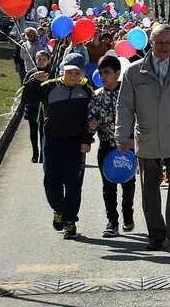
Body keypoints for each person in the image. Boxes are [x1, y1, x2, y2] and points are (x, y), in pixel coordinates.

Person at [116, 24, 170, 254]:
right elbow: (124, 107)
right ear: (150, 43)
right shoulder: (135, 71)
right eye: (159, 42)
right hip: (146, 138)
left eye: (168, 42)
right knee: (149, 190)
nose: (164, 46)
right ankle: (156, 234)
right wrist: (122, 135)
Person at [26, 53, 94, 240]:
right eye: (69, 72)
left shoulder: (87, 91)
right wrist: (33, 81)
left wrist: (87, 139)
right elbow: (28, 99)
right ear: (63, 70)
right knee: (51, 181)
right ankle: (58, 210)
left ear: (82, 73)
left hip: (76, 144)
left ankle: (70, 221)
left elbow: (91, 119)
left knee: (73, 184)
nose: (73, 76)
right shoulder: (49, 86)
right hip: (52, 142)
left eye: (77, 73)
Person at [87, 55, 136, 238]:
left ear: (117, 72)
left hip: (127, 146)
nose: (103, 77)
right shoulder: (97, 95)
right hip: (107, 147)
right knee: (108, 186)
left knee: (128, 184)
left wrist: (134, 142)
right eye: (100, 73)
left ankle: (128, 215)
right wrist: (90, 128)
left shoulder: (129, 93)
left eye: (107, 73)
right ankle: (112, 222)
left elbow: (139, 119)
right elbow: (90, 121)